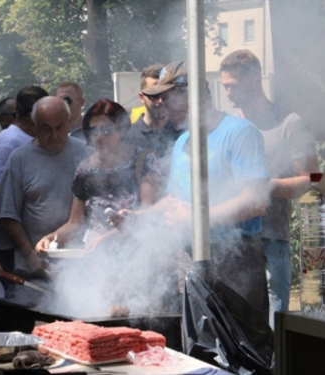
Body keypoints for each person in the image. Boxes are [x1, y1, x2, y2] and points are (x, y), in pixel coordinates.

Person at [120, 60, 270, 319]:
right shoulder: (182, 142)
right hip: (188, 260)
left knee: (244, 350)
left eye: (166, 98)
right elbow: (174, 199)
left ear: (190, 94)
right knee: (197, 350)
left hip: (236, 261)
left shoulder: (240, 132)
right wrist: (139, 218)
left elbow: (256, 200)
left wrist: (197, 219)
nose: (162, 106)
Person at [220, 50, 319, 328]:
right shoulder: (229, 127)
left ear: (254, 80)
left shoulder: (289, 123)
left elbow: (316, 178)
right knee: (235, 328)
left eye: (233, 85)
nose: (227, 92)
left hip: (272, 240)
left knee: (274, 333)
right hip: (230, 240)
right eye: (224, 85)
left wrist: (266, 186)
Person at [36, 99, 160, 251]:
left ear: (121, 129)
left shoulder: (143, 160)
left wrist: (110, 237)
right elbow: (75, 223)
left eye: (106, 130)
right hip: (97, 258)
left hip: (136, 254)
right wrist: (50, 238)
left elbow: (151, 212)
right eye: (93, 131)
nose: (99, 137)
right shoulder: (85, 169)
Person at [0, 96, 92, 275]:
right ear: (34, 127)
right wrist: (29, 253)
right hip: (34, 266)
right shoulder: (19, 159)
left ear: (69, 123)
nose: (54, 135)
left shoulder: (86, 153)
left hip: (79, 264)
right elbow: (8, 215)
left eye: (60, 127)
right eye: (46, 129)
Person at [0, 86, 48, 274]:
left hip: (33, 246)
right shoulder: (9, 142)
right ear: (33, 114)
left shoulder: (26, 138)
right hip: (11, 250)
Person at [124, 63, 184, 197]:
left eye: (165, 95)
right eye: (154, 96)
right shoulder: (128, 137)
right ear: (141, 97)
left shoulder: (183, 133)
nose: (160, 101)